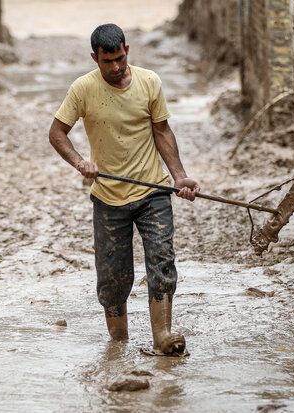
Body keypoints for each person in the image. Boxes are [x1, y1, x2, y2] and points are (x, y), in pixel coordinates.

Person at [48, 23, 199, 355]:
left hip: (153, 192)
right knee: (113, 277)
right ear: (95, 58)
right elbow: (57, 133)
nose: (115, 68)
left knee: (162, 260)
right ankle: (118, 345)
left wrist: (179, 177)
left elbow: (162, 131)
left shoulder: (149, 82)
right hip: (108, 199)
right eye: (107, 62)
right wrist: (80, 163)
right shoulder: (82, 89)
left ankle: (162, 337)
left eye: (119, 59)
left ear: (127, 51)